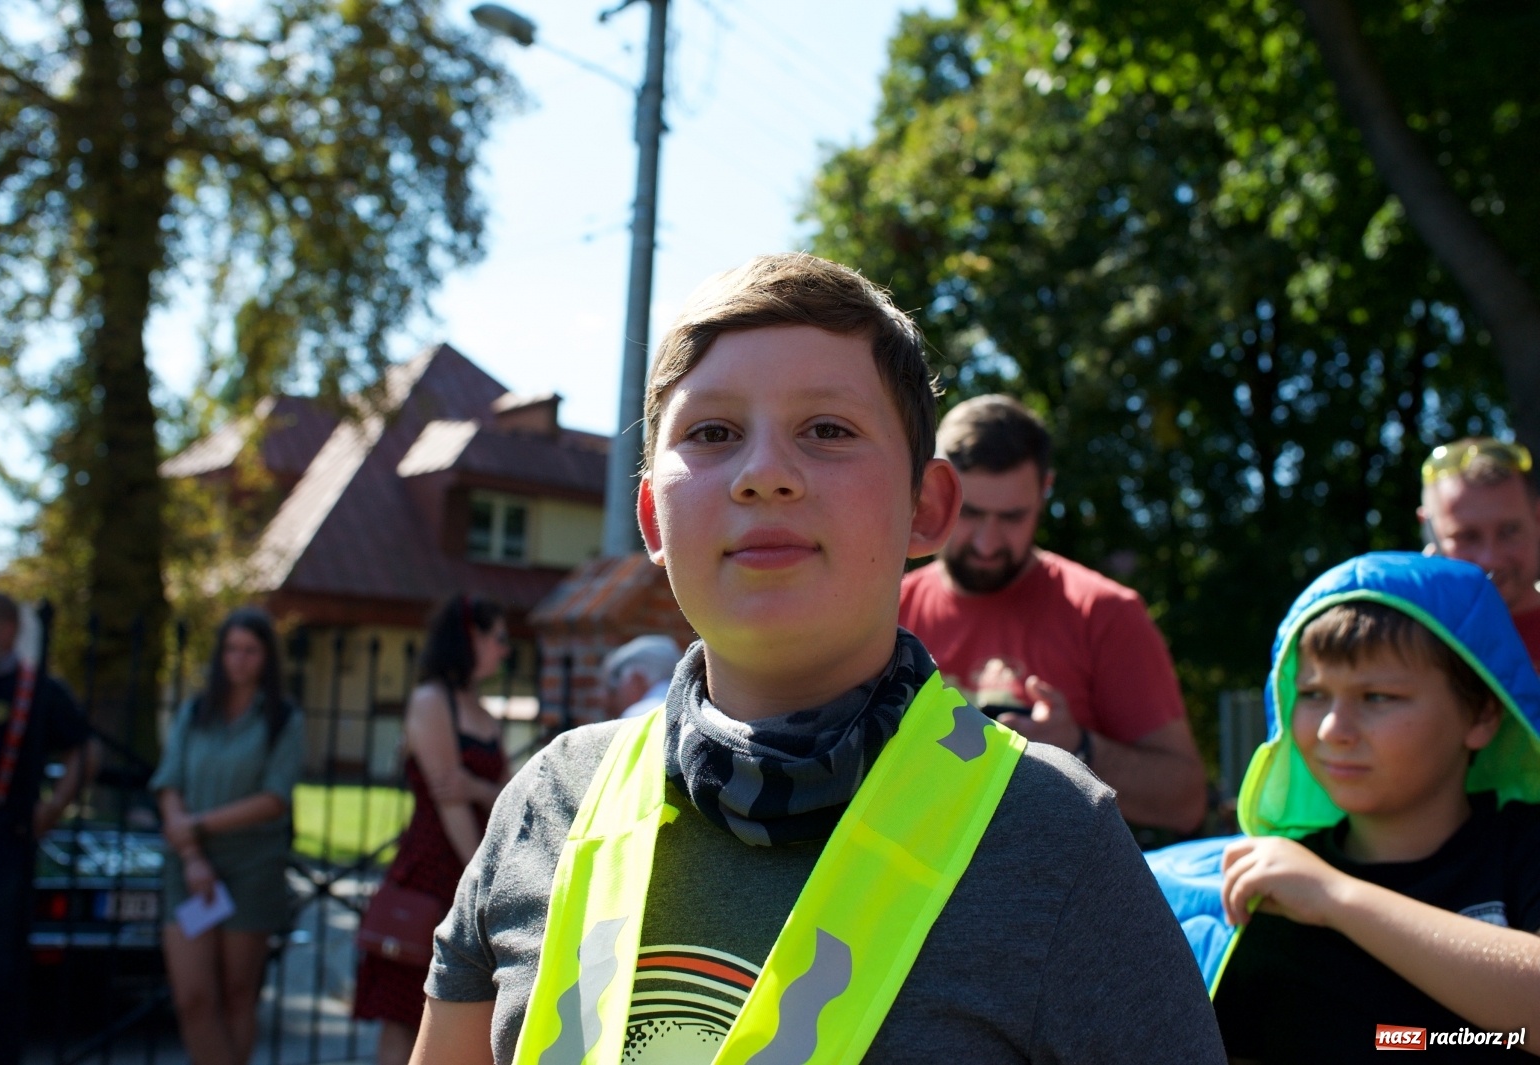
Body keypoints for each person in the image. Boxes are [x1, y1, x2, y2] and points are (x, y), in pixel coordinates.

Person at [411, 253, 1223, 1064]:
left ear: (926, 506)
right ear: (653, 517)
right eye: (713, 432)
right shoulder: (549, 803)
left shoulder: (1056, 841)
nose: (765, 474)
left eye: (828, 430)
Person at [1147, 552, 1540, 1062]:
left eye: (1377, 697)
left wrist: (1337, 898)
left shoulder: (1524, 848)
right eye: (1311, 694)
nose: (1334, 729)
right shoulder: (1256, 900)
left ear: (1483, 713)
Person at [898, 394, 1207, 834]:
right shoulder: (886, 610)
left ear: (1045, 490)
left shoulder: (1103, 613)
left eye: (1012, 517)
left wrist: (1075, 748)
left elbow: (1185, 801)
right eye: (970, 513)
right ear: (934, 490)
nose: (987, 543)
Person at [0, 591, 96, 1065]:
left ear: (6, 631)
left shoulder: (39, 691)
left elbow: (84, 753)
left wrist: (51, 811)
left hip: (3, 842)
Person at [355, 596, 509, 1065]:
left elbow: (500, 790)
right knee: (404, 1010)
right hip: (433, 869)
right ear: (471, 638)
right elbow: (449, 800)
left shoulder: (480, 708)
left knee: (464, 1010)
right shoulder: (431, 700)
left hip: (470, 861)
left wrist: (478, 787)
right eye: (499, 639)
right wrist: (481, 878)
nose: (505, 650)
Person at [151, 607, 305, 1065]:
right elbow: (168, 784)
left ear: (266, 658)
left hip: (252, 863)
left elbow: (275, 797)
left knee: (239, 994)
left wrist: (199, 824)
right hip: (190, 864)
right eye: (231, 649)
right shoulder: (195, 712)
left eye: (250, 650)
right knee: (193, 998)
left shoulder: (282, 719)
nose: (238, 660)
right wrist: (193, 851)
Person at [1419, 436, 1540, 664]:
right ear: (1428, 530)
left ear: (1538, 520)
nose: (1490, 558)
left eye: (1509, 531)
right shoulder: (1399, 645)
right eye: (1466, 536)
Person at [600, 634, 682, 719]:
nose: (609, 702)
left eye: (614, 691)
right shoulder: (690, 705)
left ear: (637, 679)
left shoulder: (638, 715)